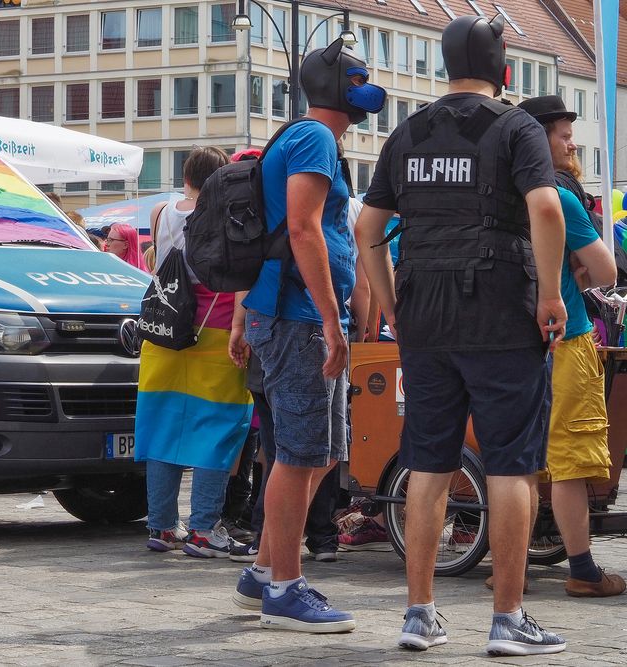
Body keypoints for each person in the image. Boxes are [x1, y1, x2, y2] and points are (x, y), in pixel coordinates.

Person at [355, 14, 568, 657]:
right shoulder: (516, 128)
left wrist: (391, 306)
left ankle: (419, 614)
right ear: (504, 69)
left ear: (444, 66)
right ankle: (507, 620)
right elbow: (547, 207)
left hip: (425, 313)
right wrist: (553, 294)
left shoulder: (409, 132)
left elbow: (367, 227)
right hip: (502, 310)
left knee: (429, 462)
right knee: (510, 464)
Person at [230, 37, 385, 633]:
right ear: (337, 88)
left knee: (318, 452)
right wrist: (328, 316)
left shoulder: (299, 136)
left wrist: (248, 316)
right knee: (300, 455)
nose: (367, 90)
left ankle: (264, 569)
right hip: (299, 318)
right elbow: (300, 228)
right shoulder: (315, 138)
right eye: (358, 80)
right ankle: (285, 590)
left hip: (292, 314)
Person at [515, 95, 624, 597]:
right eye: (562, 134)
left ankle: (511, 569)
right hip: (565, 338)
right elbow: (605, 270)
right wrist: (575, 272)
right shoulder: (561, 195)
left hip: (510, 342)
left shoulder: (502, 189)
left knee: (516, 460)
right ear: (540, 139)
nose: (572, 142)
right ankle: (581, 570)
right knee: (571, 459)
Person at [134, 146, 253, 558]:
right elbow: (240, 280)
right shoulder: (228, 217)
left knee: (163, 429)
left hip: (164, 333)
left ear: (186, 174)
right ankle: (204, 527)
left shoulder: (161, 213)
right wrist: (242, 327)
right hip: (216, 331)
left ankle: (161, 526)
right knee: (218, 429)